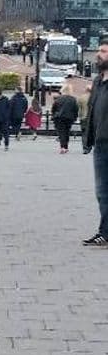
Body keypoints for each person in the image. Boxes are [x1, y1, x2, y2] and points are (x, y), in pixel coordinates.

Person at [81, 34, 108, 246]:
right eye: (99, 51)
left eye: (104, 51)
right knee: (102, 192)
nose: (99, 55)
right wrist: (88, 138)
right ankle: (105, 231)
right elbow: (92, 112)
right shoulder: (98, 81)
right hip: (100, 143)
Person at [51, 84, 79, 153]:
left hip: (59, 117)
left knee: (61, 132)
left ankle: (63, 147)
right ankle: (66, 146)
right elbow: (76, 109)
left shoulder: (59, 99)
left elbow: (54, 108)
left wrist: (54, 115)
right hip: (69, 118)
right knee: (67, 131)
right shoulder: (73, 99)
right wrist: (75, 117)